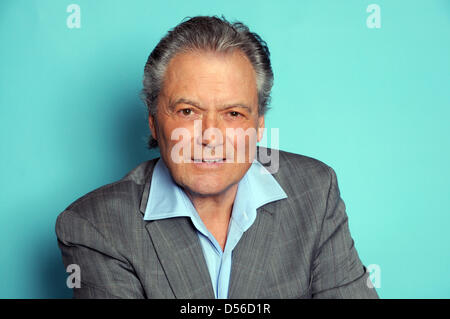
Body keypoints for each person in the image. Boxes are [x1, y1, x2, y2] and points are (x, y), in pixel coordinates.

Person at [55, 15, 379, 299]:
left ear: (258, 127)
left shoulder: (315, 192)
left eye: (233, 113)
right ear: (153, 121)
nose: (211, 135)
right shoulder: (97, 226)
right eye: (187, 111)